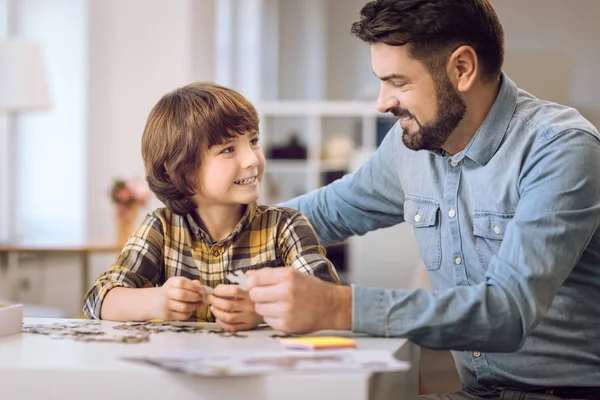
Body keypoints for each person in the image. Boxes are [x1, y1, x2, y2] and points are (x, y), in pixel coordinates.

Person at [245, 0, 600, 398]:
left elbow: (508, 311)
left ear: (462, 68)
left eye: (398, 82)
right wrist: (206, 225)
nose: (382, 102)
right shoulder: (409, 146)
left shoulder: (560, 148)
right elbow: (325, 212)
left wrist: (338, 306)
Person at [83, 82, 339, 332]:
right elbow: (98, 301)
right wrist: (157, 301)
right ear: (181, 170)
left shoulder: (285, 227)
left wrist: (261, 310)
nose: (251, 159)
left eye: (253, 141)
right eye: (228, 149)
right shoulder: (161, 227)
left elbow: (328, 302)